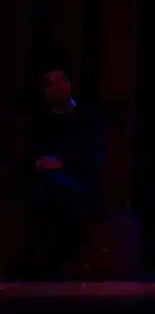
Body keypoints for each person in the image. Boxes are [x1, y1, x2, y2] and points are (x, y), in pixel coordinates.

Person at [23, 67, 106, 279]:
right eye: (50, 84)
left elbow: (93, 152)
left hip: (82, 176)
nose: (58, 87)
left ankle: (71, 261)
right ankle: (45, 265)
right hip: (48, 179)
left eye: (61, 81)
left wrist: (63, 162)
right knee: (45, 192)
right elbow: (31, 152)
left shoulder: (88, 116)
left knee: (67, 197)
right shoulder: (39, 120)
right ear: (45, 92)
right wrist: (41, 162)